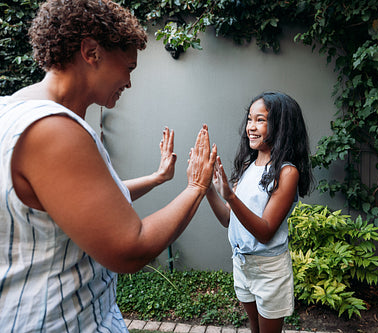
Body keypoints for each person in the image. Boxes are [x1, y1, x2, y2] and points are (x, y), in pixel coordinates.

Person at [0, 0, 216, 332]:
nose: (129, 82)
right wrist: (196, 187)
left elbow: (75, 207)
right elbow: (130, 249)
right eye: (128, 68)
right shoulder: (53, 130)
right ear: (91, 52)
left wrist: (157, 178)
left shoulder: (13, 110)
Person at [206, 91, 313, 333]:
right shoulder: (246, 166)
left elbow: (265, 232)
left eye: (260, 120)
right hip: (241, 263)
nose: (250, 127)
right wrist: (206, 188)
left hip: (269, 270)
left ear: (281, 125)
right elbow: (227, 219)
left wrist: (230, 196)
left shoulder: (287, 173)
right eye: (249, 119)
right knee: (254, 327)